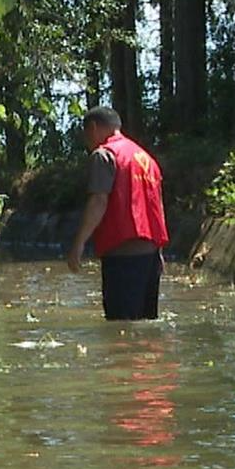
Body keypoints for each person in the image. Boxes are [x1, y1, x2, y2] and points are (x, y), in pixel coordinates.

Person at [66, 105, 168, 320]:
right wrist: (158, 251)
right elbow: (155, 206)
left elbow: (99, 200)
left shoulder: (104, 155)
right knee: (146, 323)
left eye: (86, 135)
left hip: (123, 253)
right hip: (150, 256)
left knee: (120, 326)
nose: (87, 142)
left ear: (93, 128)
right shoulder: (146, 159)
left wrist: (78, 244)